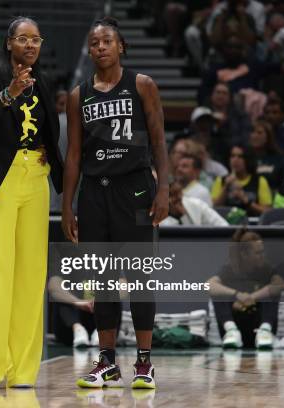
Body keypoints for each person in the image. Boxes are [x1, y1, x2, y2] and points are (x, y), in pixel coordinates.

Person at [62, 17, 169, 389]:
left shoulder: (141, 85)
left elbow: (158, 142)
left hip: (134, 188)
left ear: (121, 46)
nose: (100, 48)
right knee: (102, 279)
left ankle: (144, 362)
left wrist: (164, 190)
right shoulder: (79, 95)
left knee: (140, 277)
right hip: (94, 192)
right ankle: (107, 361)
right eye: (94, 43)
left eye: (107, 41)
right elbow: (74, 154)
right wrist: (67, 205)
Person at [0, 16, 64, 389]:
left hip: (35, 179)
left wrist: (62, 181)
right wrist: (9, 95)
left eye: (37, 39)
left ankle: (21, 371)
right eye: (24, 39)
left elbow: (53, 135)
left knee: (30, 276)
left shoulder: (46, 82)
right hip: (0, 181)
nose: (31, 45)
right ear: (9, 43)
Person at [207, 229, 284, 348]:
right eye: (258, 253)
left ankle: (265, 331)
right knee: (218, 292)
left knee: (272, 290)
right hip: (236, 324)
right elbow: (209, 285)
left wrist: (251, 297)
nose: (262, 256)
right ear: (244, 255)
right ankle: (231, 331)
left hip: (258, 324)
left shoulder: (265, 267)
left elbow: (280, 284)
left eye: (263, 252)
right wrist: (237, 295)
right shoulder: (230, 268)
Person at [211, 145, 272, 216]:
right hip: (226, 225)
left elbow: (267, 211)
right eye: (232, 156)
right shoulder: (221, 180)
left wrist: (245, 200)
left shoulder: (259, 181)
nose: (235, 160)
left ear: (247, 159)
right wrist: (226, 187)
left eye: (240, 157)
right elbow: (213, 208)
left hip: (252, 224)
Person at [248, 119, 284, 195]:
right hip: (249, 198)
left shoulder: (278, 158)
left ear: (268, 137)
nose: (254, 135)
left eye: (259, 133)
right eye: (252, 132)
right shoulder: (244, 157)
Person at [162, 182, 228, 226]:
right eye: (170, 194)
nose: (171, 200)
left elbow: (223, 226)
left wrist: (183, 216)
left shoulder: (197, 205)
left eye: (178, 193)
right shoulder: (154, 212)